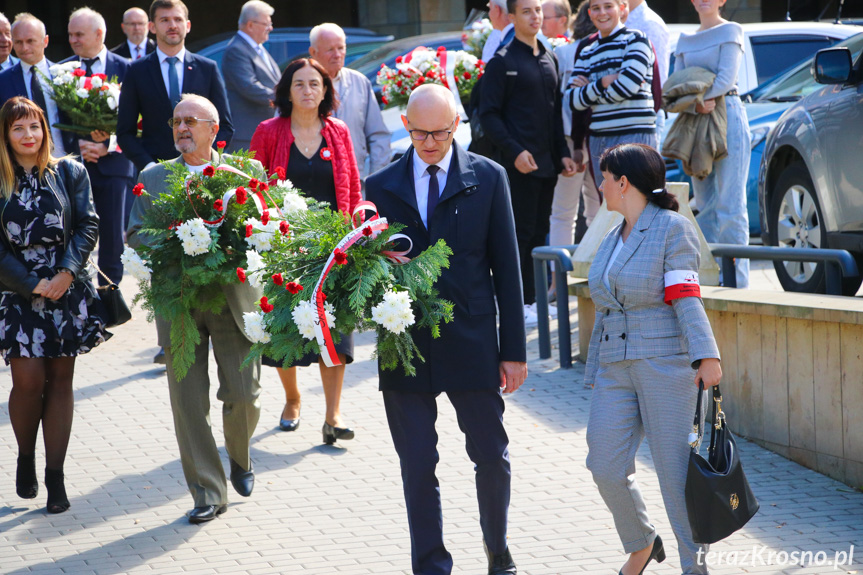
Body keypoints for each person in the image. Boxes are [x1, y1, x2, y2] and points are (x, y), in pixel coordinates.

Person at [366, 83, 526, 575]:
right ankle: (431, 565)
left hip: (472, 339)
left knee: (491, 456)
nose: (429, 142)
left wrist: (513, 351)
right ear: (406, 127)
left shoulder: (489, 177)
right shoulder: (381, 185)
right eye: (419, 133)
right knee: (417, 465)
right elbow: (363, 271)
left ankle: (497, 547)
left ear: (457, 125)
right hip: (404, 343)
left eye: (439, 132)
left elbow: (508, 266)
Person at [583, 143, 721, 575]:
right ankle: (642, 543)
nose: (600, 183)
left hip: (665, 363)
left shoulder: (672, 228)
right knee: (603, 464)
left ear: (623, 182)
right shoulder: (611, 235)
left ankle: (694, 567)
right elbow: (605, 307)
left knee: (675, 477)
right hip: (615, 365)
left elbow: (685, 295)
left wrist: (707, 355)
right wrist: (594, 367)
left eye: (605, 176)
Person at [127, 94, 262, 524]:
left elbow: (266, 229)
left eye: (191, 121)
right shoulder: (153, 177)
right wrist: (176, 246)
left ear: (213, 130)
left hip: (232, 301)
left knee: (244, 395)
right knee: (188, 403)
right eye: (176, 121)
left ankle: (240, 457)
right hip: (178, 301)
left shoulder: (242, 174)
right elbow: (134, 234)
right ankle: (208, 491)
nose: (182, 128)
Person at [0, 97, 112, 514]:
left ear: (44, 130)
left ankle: (55, 477)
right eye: (18, 129)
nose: (28, 136)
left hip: (67, 289)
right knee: (28, 382)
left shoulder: (69, 171)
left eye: (34, 127)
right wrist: (32, 283)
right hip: (16, 290)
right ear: (6, 136)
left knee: (61, 382)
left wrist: (65, 272)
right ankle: (25, 457)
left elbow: (88, 225)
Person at [250, 58, 361, 442]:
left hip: (333, 248)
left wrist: (355, 233)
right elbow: (254, 189)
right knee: (286, 332)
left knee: (336, 330)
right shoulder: (268, 131)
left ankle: (333, 416)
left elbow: (353, 187)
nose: (308, 90)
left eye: (316, 83)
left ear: (326, 91)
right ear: (287, 90)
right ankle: (293, 398)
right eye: (300, 84)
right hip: (284, 247)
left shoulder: (339, 132)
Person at [479, 0, 577, 325]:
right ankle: (517, 304)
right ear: (511, 17)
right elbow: (488, 115)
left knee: (540, 233)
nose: (535, 17)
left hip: (547, 167)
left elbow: (552, 114)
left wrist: (563, 152)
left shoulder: (549, 59)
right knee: (517, 235)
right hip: (516, 166)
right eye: (527, 11)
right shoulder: (501, 62)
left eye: (538, 10)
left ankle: (534, 301)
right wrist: (514, 152)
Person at [673, 0, 750, 288]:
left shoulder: (732, 30)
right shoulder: (684, 40)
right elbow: (675, 84)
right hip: (695, 119)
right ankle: (708, 280)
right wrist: (695, 101)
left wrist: (695, 96)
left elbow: (726, 78)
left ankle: (738, 285)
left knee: (731, 206)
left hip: (727, 113)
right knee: (704, 206)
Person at [117, 0, 234, 174]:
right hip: (156, 173)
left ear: (187, 26)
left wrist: (206, 161)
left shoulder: (207, 69)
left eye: (178, 20)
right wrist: (149, 166)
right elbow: (125, 132)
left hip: (202, 171)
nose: (172, 25)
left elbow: (224, 126)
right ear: (152, 27)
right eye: (164, 20)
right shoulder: (136, 71)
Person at [63, 8, 135, 285]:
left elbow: (137, 119)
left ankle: (109, 292)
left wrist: (109, 145)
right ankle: (78, 291)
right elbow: (55, 120)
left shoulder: (126, 68)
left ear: (99, 34)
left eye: (79, 34)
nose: (73, 40)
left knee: (113, 236)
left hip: (115, 165)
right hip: (75, 165)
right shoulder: (63, 70)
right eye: (70, 34)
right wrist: (79, 147)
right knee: (74, 232)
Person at [564, 0, 657, 192]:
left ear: (622, 9)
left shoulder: (637, 40)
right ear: (589, 13)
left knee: (638, 203)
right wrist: (603, 82)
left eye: (608, 6)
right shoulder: (587, 50)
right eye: (596, 8)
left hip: (635, 136)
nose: (602, 13)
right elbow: (571, 100)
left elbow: (626, 87)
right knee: (609, 209)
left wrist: (589, 91)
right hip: (600, 140)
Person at [547, 0, 600, 300]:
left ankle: (559, 283)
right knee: (597, 211)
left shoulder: (562, 52)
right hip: (591, 139)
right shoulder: (571, 52)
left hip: (572, 140)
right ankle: (594, 276)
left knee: (563, 214)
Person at [309, 23, 390, 181]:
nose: (337, 54)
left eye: (341, 48)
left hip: (355, 180)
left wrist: (375, 178)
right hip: (314, 182)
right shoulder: (300, 84)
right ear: (313, 52)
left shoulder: (360, 82)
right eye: (330, 49)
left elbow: (378, 135)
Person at [0, 14, 65, 156]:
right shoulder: (3, 81)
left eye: (30, 41)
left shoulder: (65, 76)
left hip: (65, 159)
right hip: (22, 164)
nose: (24, 48)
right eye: (18, 42)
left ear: (45, 41)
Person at [222, 0, 280, 153]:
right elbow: (248, 86)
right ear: (250, 25)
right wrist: (284, 96)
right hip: (247, 134)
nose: (270, 28)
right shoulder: (237, 50)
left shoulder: (256, 48)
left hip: (262, 130)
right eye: (266, 24)